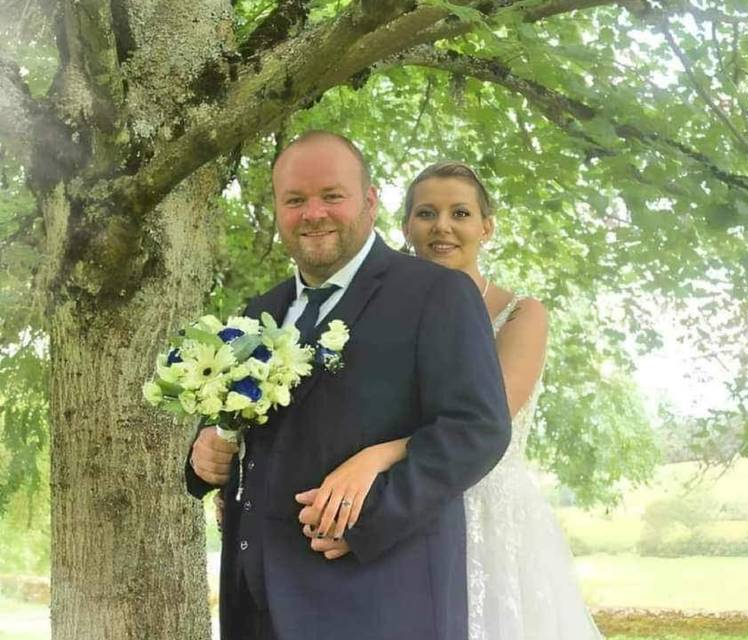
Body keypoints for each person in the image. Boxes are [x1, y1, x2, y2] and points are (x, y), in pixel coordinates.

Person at [185, 133, 512, 640]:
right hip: (255, 606)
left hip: (379, 601)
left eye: (331, 196)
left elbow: (477, 430)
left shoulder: (437, 294)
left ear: (371, 200)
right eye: (295, 200)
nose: (313, 213)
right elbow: (246, 426)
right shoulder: (258, 313)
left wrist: (366, 518)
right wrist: (206, 447)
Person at [309, 162, 604, 639]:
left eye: (460, 213)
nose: (441, 226)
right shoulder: (374, 311)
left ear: (485, 227)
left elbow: (487, 420)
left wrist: (376, 456)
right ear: (405, 227)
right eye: (426, 213)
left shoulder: (519, 314)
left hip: (485, 511)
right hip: (398, 505)